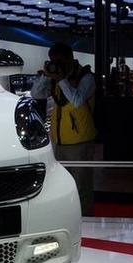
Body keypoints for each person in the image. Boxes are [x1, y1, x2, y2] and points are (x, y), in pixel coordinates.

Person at [31, 42, 97, 217]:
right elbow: (36, 94)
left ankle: (87, 221)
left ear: (70, 58)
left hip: (80, 142)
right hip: (58, 141)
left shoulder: (86, 77)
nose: (57, 64)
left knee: (81, 185)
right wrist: (46, 76)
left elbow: (76, 101)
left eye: (60, 61)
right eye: (53, 61)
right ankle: (67, 218)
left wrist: (61, 80)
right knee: (62, 186)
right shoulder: (56, 77)